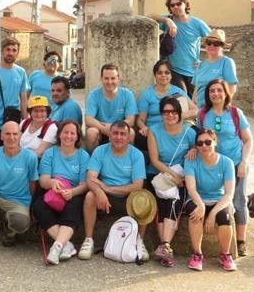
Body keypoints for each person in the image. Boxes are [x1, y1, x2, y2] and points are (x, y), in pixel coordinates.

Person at [197, 78, 254, 256]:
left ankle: (241, 240)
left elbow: (248, 139)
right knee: (221, 199)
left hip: (236, 163)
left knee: (238, 201)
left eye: (219, 90)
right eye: (212, 91)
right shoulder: (203, 114)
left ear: (225, 93)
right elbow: (200, 138)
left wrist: (244, 161)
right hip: (215, 166)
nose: (215, 94)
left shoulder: (236, 113)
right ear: (208, 94)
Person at [77, 121, 148, 261]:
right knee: (90, 196)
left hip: (128, 198)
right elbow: (90, 178)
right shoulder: (100, 151)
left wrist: (108, 188)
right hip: (104, 198)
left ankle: (139, 241)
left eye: (123, 134)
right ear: (109, 135)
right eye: (115, 133)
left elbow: (137, 185)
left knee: (144, 198)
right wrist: (100, 192)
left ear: (129, 137)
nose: (119, 137)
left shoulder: (137, 155)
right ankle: (88, 240)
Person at [146, 96, 197, 267]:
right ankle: (166, 246)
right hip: (160, 175)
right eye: (166, 112)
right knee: (164, 203)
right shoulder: (154, 131)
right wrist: (171, 175)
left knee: (174, 201)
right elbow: (154, 160)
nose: (170, 115)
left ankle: (164, 246)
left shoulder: (189, 132)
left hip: (181, 177)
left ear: (180, 113)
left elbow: (199, 146)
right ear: (161, 114)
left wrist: (194, 149)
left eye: (174, 112)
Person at [32, 120, 90, 265]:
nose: (68, 136)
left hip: (73, 192)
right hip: (54, 192)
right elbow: (43, 180)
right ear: (59, 134)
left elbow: (85, 184)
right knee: (39, 206)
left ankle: (56, 248)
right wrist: (52, 183)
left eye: (72, 133)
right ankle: (66, 244)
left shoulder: (83, 156)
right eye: (65, 132)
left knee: (73, 206)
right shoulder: (50, 153)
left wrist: (72, 192)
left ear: (77, 137)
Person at [183, 129, 237, 271]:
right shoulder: (191, 161)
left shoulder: (227, 163)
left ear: (215, 142)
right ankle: (197, 254)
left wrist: (212, 214)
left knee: (225, 217)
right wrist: (201, 206)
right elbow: (191, 189)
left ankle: (225, 254)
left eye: (208, 142)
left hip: (219, 199)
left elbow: (229, 194)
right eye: (200, 143)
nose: (204, 146)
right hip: (197, 197)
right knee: (195, 214)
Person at [148, 0, 210, 96]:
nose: (175, 6)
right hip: (174, 71)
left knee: (193, 104)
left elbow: (213, 42)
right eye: (172, 5)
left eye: (178, 3)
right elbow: (148, 17)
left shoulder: (197, 23)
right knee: (181, 99)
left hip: (193, 72)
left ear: (185, 4)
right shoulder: (168, 21)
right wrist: (166, 20)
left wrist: (205, 62)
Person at [135, 60, 196, 152]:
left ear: (171, 75)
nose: (163, 75)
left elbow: (195, 110)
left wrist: (178, 116)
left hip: (174, 129)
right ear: (155, 75)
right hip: (155, 131)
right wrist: (143, 127)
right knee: (139, 138)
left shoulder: (178, 91)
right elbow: (140, 120)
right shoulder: (147, 93)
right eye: (160, 73)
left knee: (197, 134)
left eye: (167, 72)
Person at [85, 64, 138, 153]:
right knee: (91, 132)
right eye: (106, 78)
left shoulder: (127, 94)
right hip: (100, 129)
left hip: (119, 129)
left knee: (131, 132)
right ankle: (92, 161)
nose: (109, 82)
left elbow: (131, 120)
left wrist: (112, 127)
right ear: (101, 78)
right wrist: (103, 128)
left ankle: (126, 160)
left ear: (118, 78)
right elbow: (88, 119)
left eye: (113, 78)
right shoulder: (94, 94)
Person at [192, 29, 238, 107]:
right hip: (200, 110)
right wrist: (193, 104)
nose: (212, 46)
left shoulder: (226, 62)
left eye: (216, 43)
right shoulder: (200, 65)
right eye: (209, 43)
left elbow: (232, 87)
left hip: (217, 108)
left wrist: (224, 105)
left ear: (222, 46)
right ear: (205, 45)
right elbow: (197, 88)